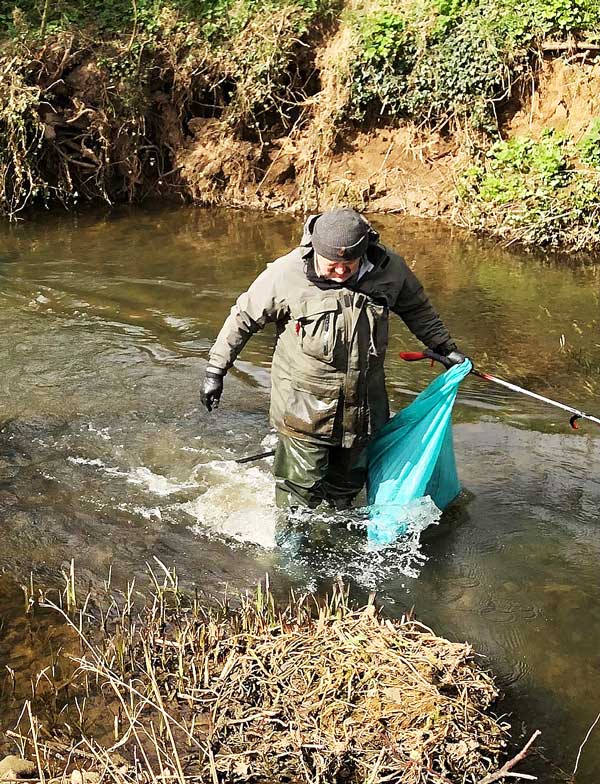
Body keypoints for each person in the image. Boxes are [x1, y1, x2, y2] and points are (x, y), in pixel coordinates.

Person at [201, 208, 465, 510]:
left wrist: (444, 347)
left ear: (364, 250)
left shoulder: (390, 270)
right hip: (304, 408)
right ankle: (290, 551)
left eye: (348, 264)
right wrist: (215, 371)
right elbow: (242, 319)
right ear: (315, 250)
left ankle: (336, 532)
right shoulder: (286, 275)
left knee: (347, 488)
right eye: (332, 265)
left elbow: (417, 309)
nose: (340, 272)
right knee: (298, 494)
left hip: (365, 409)